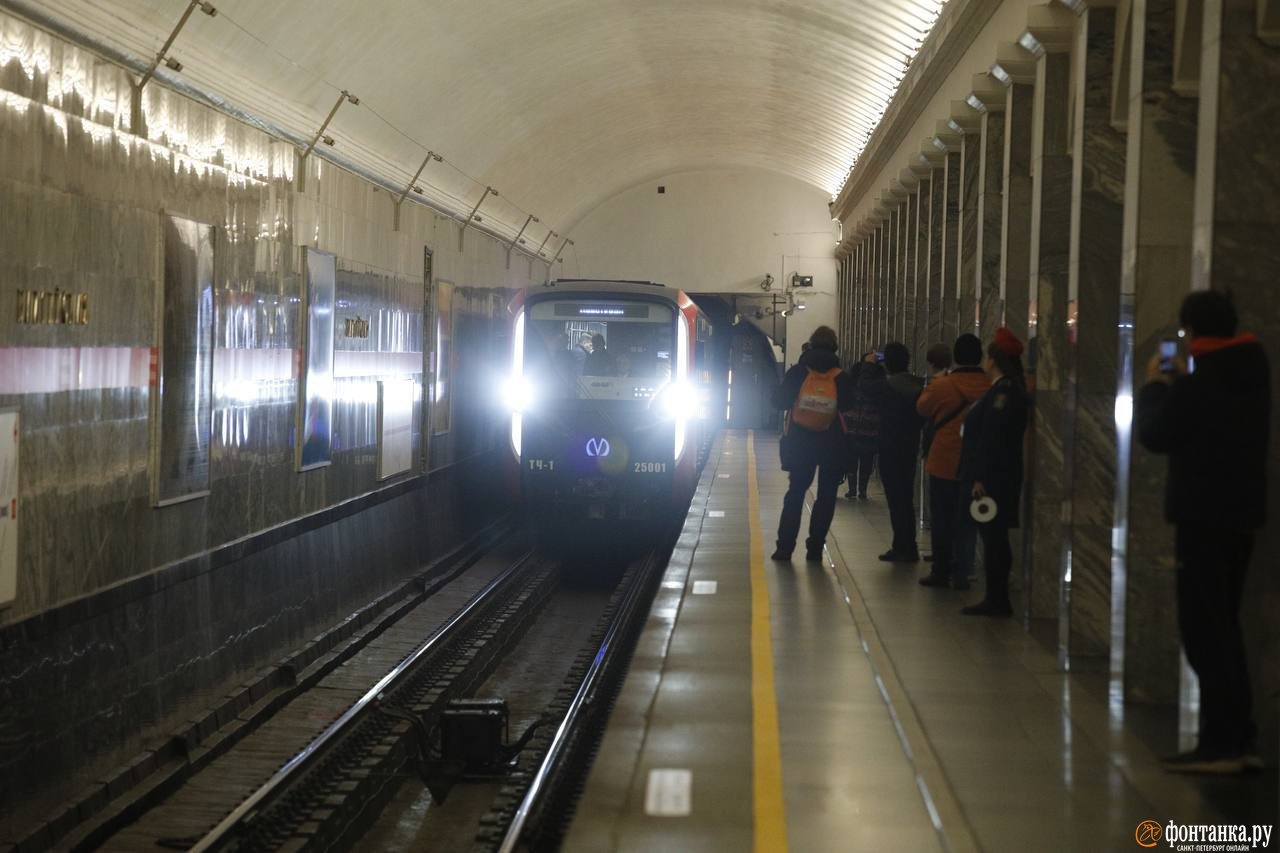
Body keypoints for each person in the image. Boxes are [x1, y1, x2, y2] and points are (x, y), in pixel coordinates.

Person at [1136, 290, 1269, 774]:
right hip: (1240, 515)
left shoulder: (1200, 382)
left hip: (1201, 517)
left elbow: (1155, 434)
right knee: (1226, 625)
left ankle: (1221, 743)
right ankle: (1240, 737)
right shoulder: (1253, 371)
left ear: (1191, 332)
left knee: (1204, 630)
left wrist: (1155, 387)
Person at [958, 328, 1029, 617]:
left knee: (994, 538)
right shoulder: (1005, 390)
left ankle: (997, 598)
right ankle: (996, 596)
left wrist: (980, 478)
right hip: (1001, 475)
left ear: (994, 360)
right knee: (993, 537)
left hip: (995, 478)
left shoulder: (1003, 394)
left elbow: (992, 440)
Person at [772, 326, 857, 562]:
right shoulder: (841, 377)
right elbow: (849, 405)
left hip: (800, 442)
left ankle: (785, 548)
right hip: (832, 443)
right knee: (826, 496)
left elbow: (778, 402)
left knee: (796, 493)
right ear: (834, 347)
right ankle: (815, 548)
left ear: (811, 345)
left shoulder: (799, 372)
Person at [917, 334, 990, 589]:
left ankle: (941, 569)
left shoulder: (943, 385)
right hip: (978, 462)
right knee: (969, 519)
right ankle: (964, 569)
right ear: (981, 356)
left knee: (942, 516)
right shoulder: (990, 385)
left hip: (944, 459)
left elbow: (922, 408)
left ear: (955, 358)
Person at [859, 343, 924, 562]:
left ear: (887, 362)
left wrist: (868, 365)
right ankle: (909, 545)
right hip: (911, 446)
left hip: (889, 447)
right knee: (905, 497)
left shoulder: (887, 386)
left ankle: (902, 546)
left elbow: (864, 386)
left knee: (896, 499)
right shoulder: (918, 385)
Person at [842, 353, 879, 500]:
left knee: (852, 461)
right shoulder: (877, 382)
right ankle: (862, 491)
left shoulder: (851, 380)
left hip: (851, 427)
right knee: (866, 462)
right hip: (869, 428)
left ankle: (852, 490)